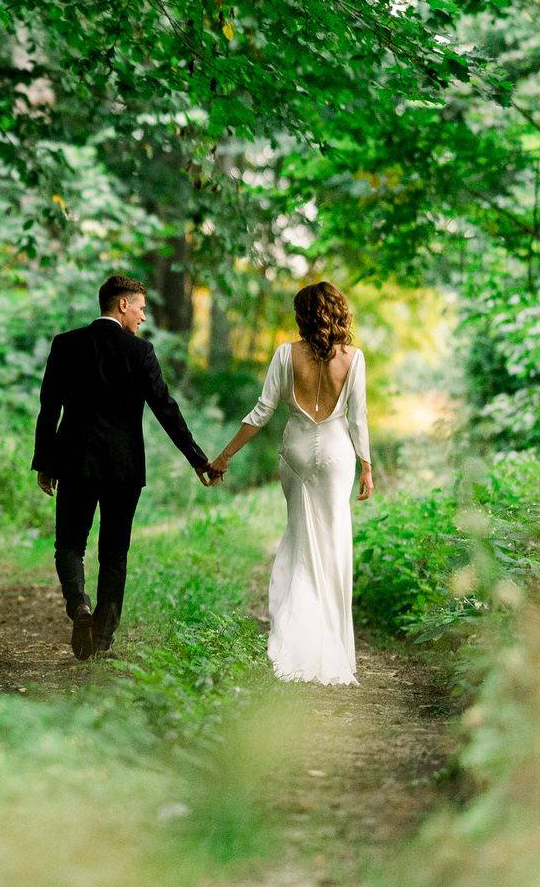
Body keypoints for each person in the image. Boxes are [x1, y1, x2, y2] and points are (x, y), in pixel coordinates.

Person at [33, 274, 217, 661]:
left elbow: (49, 407)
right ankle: (101, 637)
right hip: (123, 467)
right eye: (141, 308)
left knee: (69, 545)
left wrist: (45, 463)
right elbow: (166, 408)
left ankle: (79, 608)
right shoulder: (140, 352)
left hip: (75, 463)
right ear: (122, 305)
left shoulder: (66, 344)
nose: (143, 317)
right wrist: (197, 459)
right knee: (114, 553)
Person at [208, 281, 373, 685]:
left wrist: (225, 456)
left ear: (303, 316)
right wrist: (367, 467)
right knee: (333, 547)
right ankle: (330, 646)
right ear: (337, 312)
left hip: (297, 451)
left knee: (299, 543)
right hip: (336, 456)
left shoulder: (286, 355)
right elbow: (357, 419)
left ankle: (295, 642)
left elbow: (261, 412)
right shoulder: (353, 359)